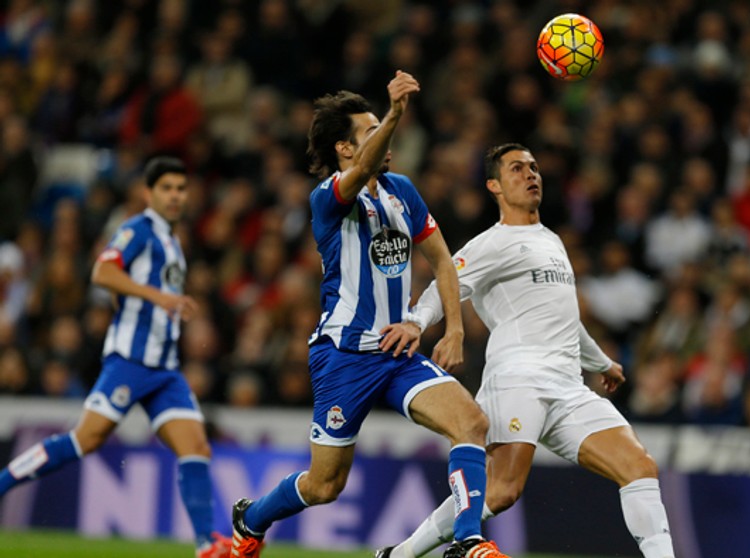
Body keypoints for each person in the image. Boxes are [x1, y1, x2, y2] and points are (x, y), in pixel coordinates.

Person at [228, 72, 509, 558]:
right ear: (344, 149)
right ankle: (251, 519)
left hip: (397, 351)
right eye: (371, 130)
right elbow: (360, 173)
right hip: (343, 356)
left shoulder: (402, 190)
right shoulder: (329, 197)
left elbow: (442, 260)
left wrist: (454, 328)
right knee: (324, 486)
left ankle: (467, 542)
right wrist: (397, 113)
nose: (385, 137)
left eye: (383, 125)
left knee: (472, 424)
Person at [379, 144, 678, 558]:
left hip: (569, 386)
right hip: (518, 378)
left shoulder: (551, 240)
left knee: (639, 466)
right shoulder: (492, 243)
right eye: (517, 169)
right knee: (500, 491)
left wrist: (601, 362)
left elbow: (565, 318)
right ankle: (402, 555)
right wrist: (416, 322)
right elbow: (446, 281)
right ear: (494, 186)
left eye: (534, 167)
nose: (530, 174)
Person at [0, 157, 232, 558]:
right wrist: (156, 297)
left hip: (165, 369)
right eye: (167, 188)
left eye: (181, 188)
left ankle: (205, 545)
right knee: (85, 439)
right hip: (130, 360)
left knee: (196, 445)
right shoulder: (137, 230)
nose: (176, 195)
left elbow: (120, 288)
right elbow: (103, 273)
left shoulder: (174, 243)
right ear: (148, 193)